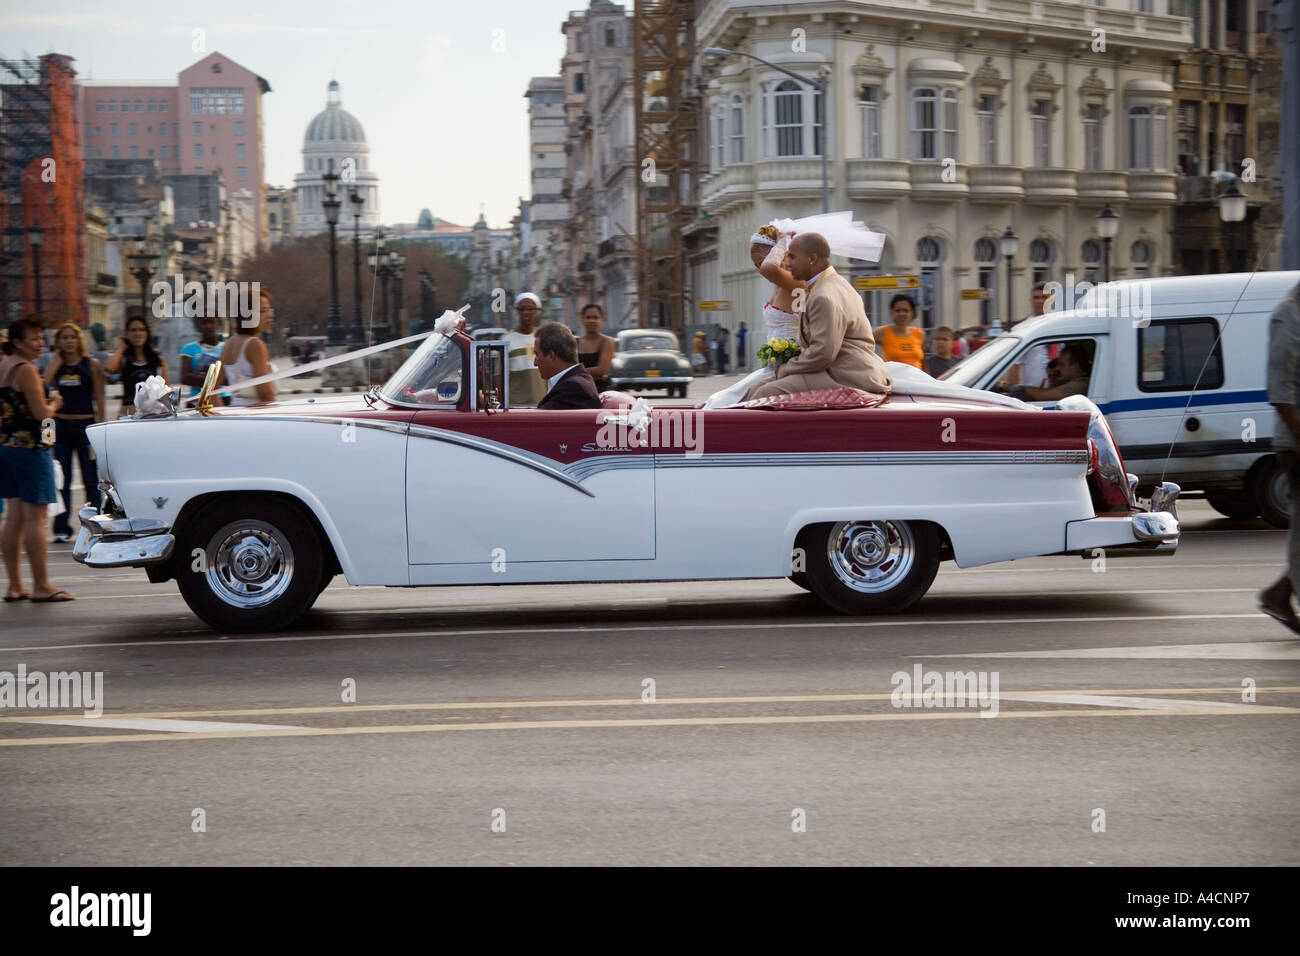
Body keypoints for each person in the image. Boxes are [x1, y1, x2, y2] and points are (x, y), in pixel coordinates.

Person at [746, 233, 891, 399]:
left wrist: (785, 368)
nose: (788, 263)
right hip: (840, 368)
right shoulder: (832, 282)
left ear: (812, 259)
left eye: (792, 257)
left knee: (765, 393)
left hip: (846, 374)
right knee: (755, 388)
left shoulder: (823, 295)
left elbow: (822, 354)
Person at [0, 318, 74, 601]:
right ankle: (42, 585)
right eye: (34, 338)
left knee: (14, 517)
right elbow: (42, 414)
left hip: (8, 446)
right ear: (17, 341)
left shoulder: (3, 366)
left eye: (42, 337)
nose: (40, 343)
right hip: (32, 448)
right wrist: (55, 402)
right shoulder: (26, 369)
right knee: (36, 519)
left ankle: (15, 585)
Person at [1258, 280, 1300, 634]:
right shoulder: (1288, 317)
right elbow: (1280, 390)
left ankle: (1278, 593)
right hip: (1295, 444)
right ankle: (1280, 594)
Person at [42, 323, 105, 543]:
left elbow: (99, 397)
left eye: (72, 337)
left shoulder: (91, 364)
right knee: (62, 479)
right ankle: (61, 527)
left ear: (79, 340)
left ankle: (97, 523)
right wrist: (55, 363)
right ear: (58, 342)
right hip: (59, 427)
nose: (69, 341)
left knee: (90, 478)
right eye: (64, 337)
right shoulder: (55, 365)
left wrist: (102, 428)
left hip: (85, 427)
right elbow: (42, 386)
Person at [221, 287, 277, 405]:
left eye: (270, 309)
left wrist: (220, 415)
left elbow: (211, 390)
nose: (270, 315)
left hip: (235, 415)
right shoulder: (255, 345)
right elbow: (266, 394)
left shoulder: (228, 344)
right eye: (264, 310)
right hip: (256, 417)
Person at [105, 314, 166, 416]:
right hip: (128, 416)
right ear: (127, 334)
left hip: (152, 416)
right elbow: (109, 368)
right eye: (133, 330)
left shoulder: (158, 360)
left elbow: (166, 392)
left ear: (147, 333)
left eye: (142, 330)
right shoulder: (124, 359)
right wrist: (122, 347)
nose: (138, 333)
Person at [534, 322, 600, 410]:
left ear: (551, 356)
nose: (535, 363)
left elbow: (541, 421)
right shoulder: (573, 383)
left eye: (537, 354)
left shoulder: (573, 389)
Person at [1001, 343, 1091, 401]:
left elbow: (1042, 395)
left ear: (1076, 367)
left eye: (1061, 364)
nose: (1057, 368)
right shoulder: (1067, 380)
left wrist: (1005, 386)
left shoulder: (1080, 384)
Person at [1004, 281, 1053, 387]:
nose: (1040, 301)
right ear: (1031, 301)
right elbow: (1014, 366)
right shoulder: (1024, 329)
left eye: (1044, 297)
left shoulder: (1061, 326)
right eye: (1036, 298)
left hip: (1060, 392)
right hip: (1033, 394)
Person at [506, 293, 545, 405]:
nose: (526, 312)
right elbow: (500, 377)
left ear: (537, 310)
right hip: (516, 406)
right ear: (517, 311)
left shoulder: (544, 338)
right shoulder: (507, 340)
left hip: (542, 404)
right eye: (522, 309)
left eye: (530, 309)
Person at [180, 313, 227, 402]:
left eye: (212, 322)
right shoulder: (189, 349)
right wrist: (218, 378)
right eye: (204, 323)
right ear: (198, 326)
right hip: (196, 400)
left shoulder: (227, 348)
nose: (208, 326)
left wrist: (197, 375)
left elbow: (229, 379)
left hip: (223, 398)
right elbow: (185, 378)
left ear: (219, 323)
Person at [876, 294, 926, 369]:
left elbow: (924, 362)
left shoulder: (919, 334)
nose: (902, 314)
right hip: (894, 379)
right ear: (892, 312)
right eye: (898, 310)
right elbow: (861, 343)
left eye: (906, 310)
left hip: (917, 379)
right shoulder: (882, 332)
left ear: (912, 313)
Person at [576, 303, 615, 392]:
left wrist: (576, 373)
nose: (592, 321)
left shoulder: (607, 341)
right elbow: (568, 367)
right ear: (581, 320)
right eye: (588, 317)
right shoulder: (575, 342)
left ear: (602, 320)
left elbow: (602, 370)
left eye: (595, 317)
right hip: (578, 389)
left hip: (600, 390)